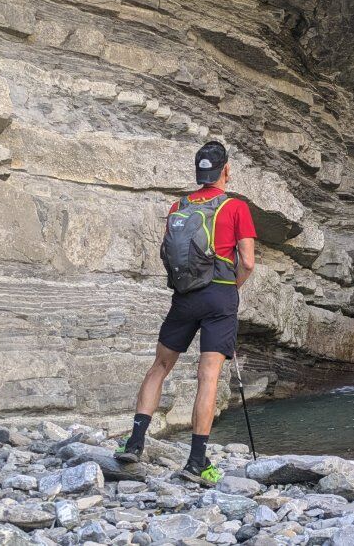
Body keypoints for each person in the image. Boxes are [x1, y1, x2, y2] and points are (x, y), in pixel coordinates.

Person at [114, 141, 256, 485]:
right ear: (226, 170)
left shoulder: (179, 206)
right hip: (220, 296)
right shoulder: (235, 207)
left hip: (184, 297)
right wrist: (230, 290)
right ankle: (196, 462)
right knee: (208, 376)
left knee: (160, 366)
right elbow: (248, 262)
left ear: (199, 171)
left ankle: (134, 443)